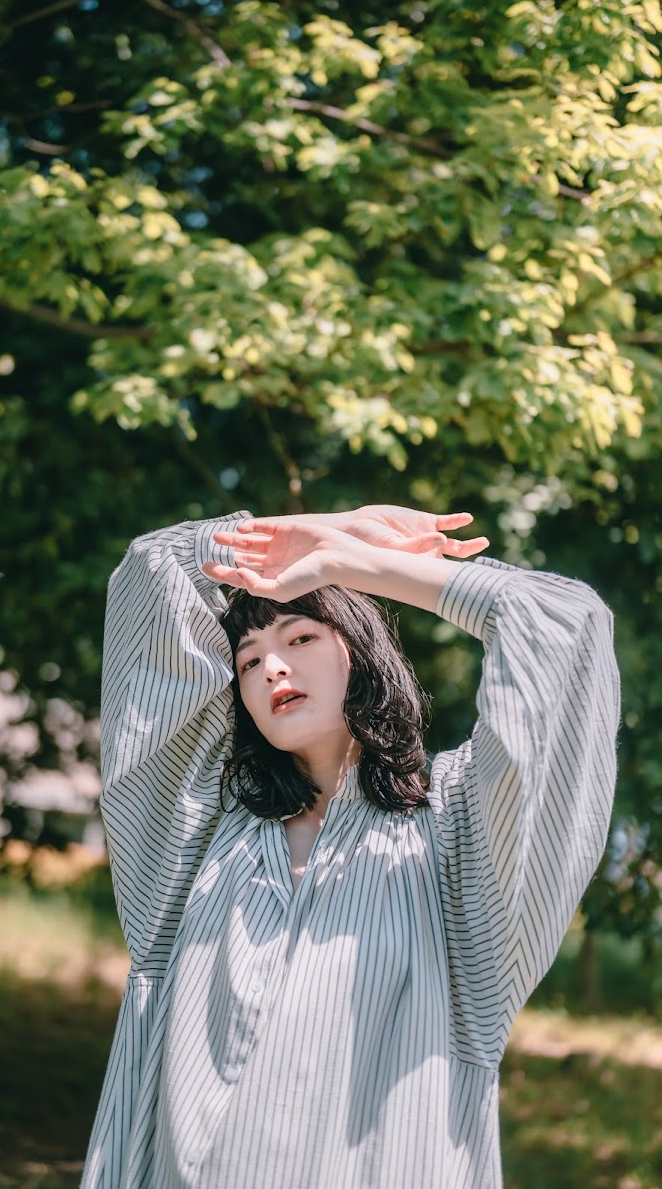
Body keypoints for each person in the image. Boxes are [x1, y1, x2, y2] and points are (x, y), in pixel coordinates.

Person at [81, 504, 619, 1189]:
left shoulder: (454, 837)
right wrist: (308, 532)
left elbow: (566, 624)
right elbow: (149, 576)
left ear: (360, 654)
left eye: (300, 636)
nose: (271, 666)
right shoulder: (198, 830)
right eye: (248, 659)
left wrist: (353, 563)